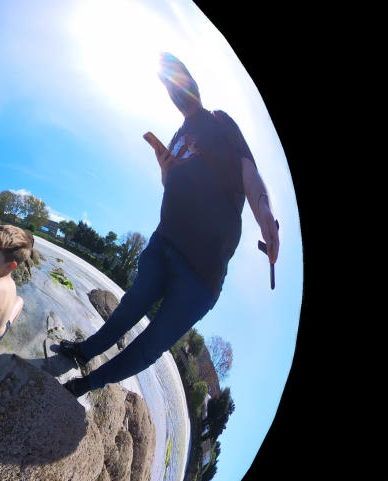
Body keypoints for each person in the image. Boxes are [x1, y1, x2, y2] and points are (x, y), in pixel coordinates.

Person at [61, 52, 280, 396]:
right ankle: (83, 351)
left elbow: (248, 172)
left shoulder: (220, 122)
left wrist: (265, 212)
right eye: (168, 81)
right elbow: (174, 186)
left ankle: (89, 383)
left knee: (153, 344)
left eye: (180, 78)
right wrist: (166, 170)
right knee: (130, 306)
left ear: (194, 83)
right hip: (164, 244)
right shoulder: (177, 135)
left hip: (202, 276)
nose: (176, 87)